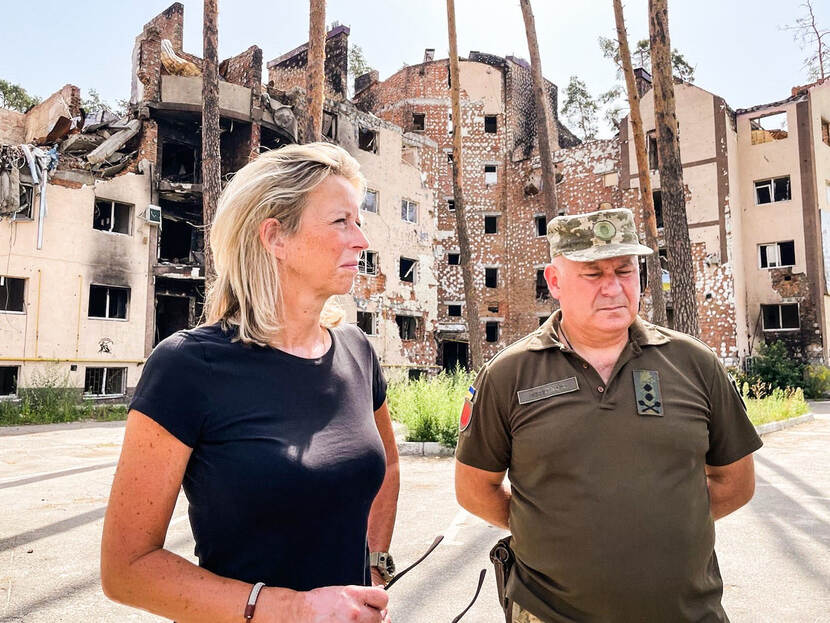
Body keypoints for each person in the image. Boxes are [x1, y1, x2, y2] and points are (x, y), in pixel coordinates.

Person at [101, 143, 400, 623]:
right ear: (275, 237)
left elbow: (384, 469)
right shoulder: (188, 366)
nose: (361, 240)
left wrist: (375, 567)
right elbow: (127, 569)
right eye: (341, 221)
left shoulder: (357, 351)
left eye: (358, 221)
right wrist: (294, 610)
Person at [455, 208, 762, 623]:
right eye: (593, 274)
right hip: (550, 614)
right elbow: (476, 488)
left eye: (625, 270)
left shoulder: (693, 363)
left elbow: (736, 482)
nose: (614, 288)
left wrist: (665, 522)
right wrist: (546, 529)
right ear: (555, 281)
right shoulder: (510, 374)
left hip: (686, 614)